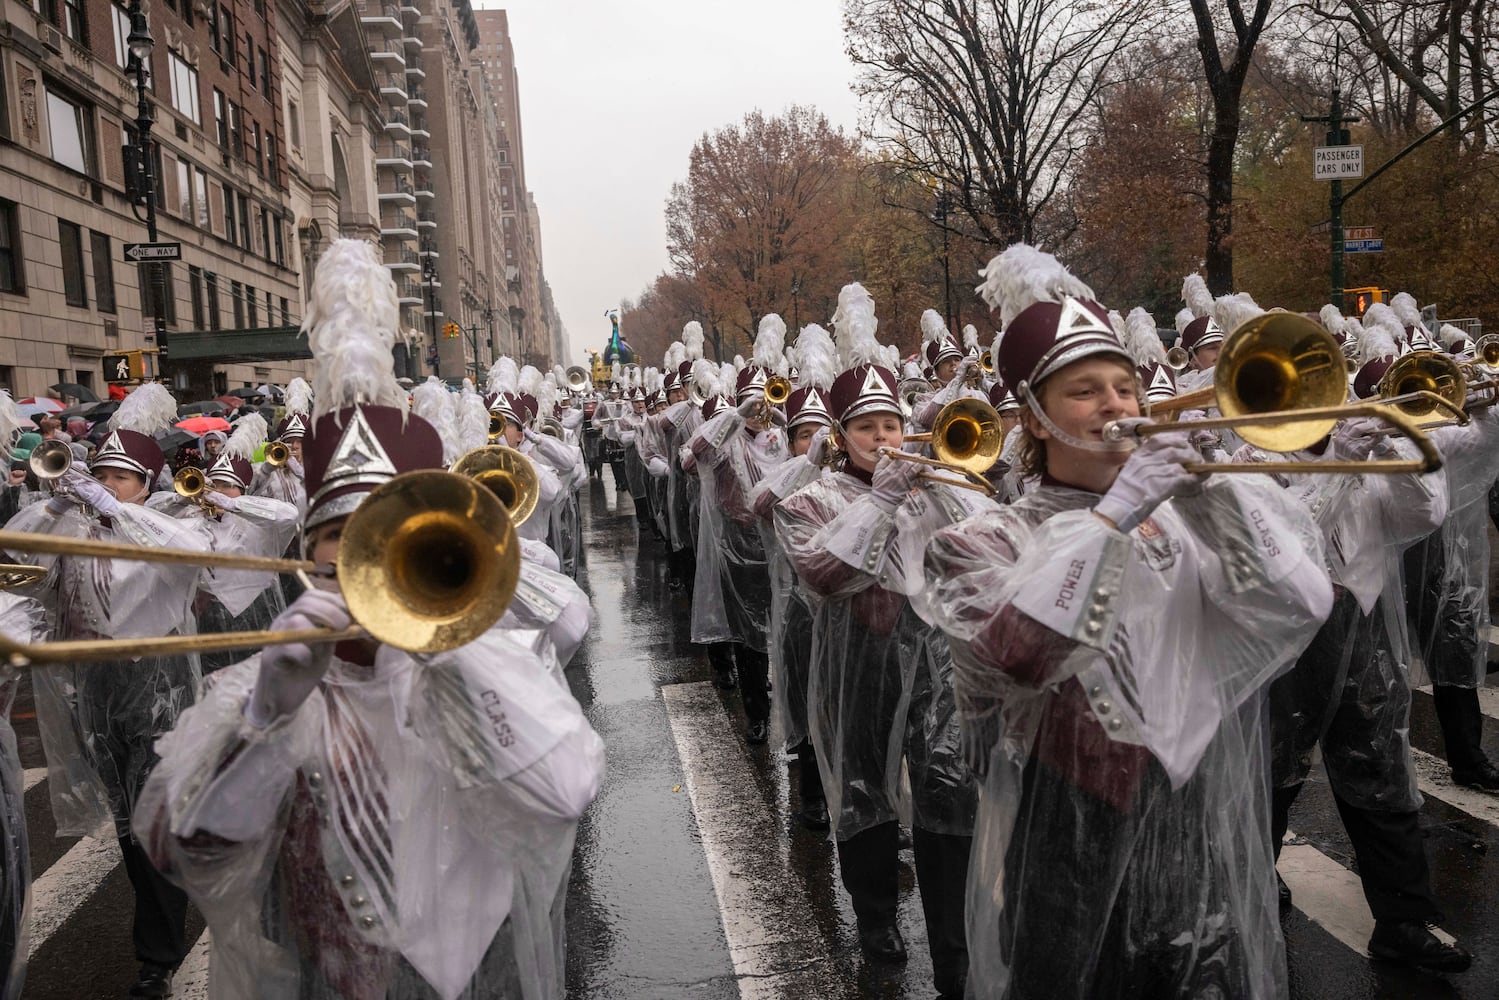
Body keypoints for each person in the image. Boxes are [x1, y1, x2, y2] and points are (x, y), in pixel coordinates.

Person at [134, 237, 605, 1000]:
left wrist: (441, 642)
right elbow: (179, 844)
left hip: (479, 976)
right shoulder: (264, 683)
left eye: (385, 544)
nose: (363, 563)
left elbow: (565, 792)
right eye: (340, 541)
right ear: (306, 555)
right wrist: (262, 720)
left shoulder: (495, 660)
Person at [916, 245, 1333, 999]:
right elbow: (1018, 653)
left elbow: (1299, 606)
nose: (1118, 407)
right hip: (1066, 850)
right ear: (1034, 420)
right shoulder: (979, 539)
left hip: (1198, 837)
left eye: (1126, 387)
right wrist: (1113, 514)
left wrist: (1217, 501)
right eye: (1084, 392)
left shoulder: (1180, 524)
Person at [775, 283, 985, 998]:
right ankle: (874, 920)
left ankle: (953, 951)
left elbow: (995, 542)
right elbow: (825, 571)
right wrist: (886, 499)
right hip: (857, 665)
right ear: (839, 435)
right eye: (867, 429)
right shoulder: (811, 499)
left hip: (937, 665)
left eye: (891, 425)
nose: (886, 441)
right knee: (863, 792)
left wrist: (944, 482)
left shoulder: (937, 484)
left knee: (948, 791)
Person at [3, 382, 209, 999]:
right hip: (93, 687)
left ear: (146, 483)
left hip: (155, 687)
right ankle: (164, 922)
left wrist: (113, 506)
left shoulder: (163, 523)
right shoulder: (70, 525)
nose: (108, 483)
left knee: (153, 822)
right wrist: (59, 505)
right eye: (104, 472)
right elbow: (17, 560)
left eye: (121, 476)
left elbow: (194, 550)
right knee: (125, 823)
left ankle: (159, 954)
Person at [689, 316, 792, 744]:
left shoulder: (783, 436)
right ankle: (756, 711)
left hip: (784, 543)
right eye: (754, 403)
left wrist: (788, 421)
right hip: (740, 544)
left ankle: (788, 706)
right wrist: (734, 416)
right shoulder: (726, 436)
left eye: (764, 402)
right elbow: (692, 454)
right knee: (751, 637)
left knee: (784, 631)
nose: (761, 411)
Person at [751, 322, 837, 827]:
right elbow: (759, 502)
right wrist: (809, 463)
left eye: (824, 432)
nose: (816, 441)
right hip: (800, 609)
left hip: (851, 610)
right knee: (807, 700)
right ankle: (810, 794)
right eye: (806, 433)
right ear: (791, 439)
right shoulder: (782, 470)